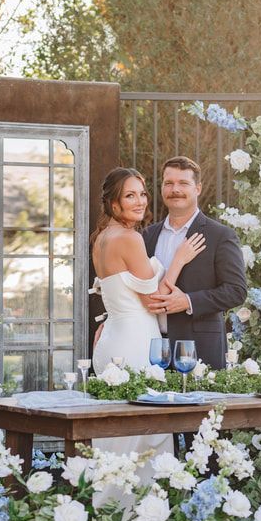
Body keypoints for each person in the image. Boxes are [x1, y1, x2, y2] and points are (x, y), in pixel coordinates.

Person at [89, 167, 206, 461]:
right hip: (134, 344)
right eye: (130, 196)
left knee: (114, 441)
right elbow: (154, 300)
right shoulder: (130, 238)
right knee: (141, 438)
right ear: (114, 204)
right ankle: (134, 505)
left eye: (142, 194)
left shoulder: (101, 237)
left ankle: (106, 503)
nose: (140, 201)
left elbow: (118, 294)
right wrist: (178, 259)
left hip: (111, 340)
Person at [143, 156, 248, 370]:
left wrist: (188, 301)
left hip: (199, 347)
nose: (175, 189)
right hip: (149, 346)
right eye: (169, 183)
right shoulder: (147, 235)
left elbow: (236, 291)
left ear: (197, 188)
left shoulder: (220, 235)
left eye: (183, 183)